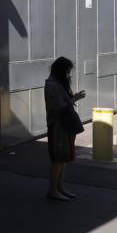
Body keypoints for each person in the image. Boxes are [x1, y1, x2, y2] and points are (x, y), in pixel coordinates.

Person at [44, 57, 85, 200]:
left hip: (64, 125)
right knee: (58, 159)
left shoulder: (58, 84)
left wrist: (73, 97)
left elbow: (63, 102)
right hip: (57, 126)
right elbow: (55, 108)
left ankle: (59, 187)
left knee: (63, 159)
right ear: (61, 71)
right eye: (67, 72)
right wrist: (74, 100)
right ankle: (52, 190)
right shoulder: (52, 86)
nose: (69, 75)